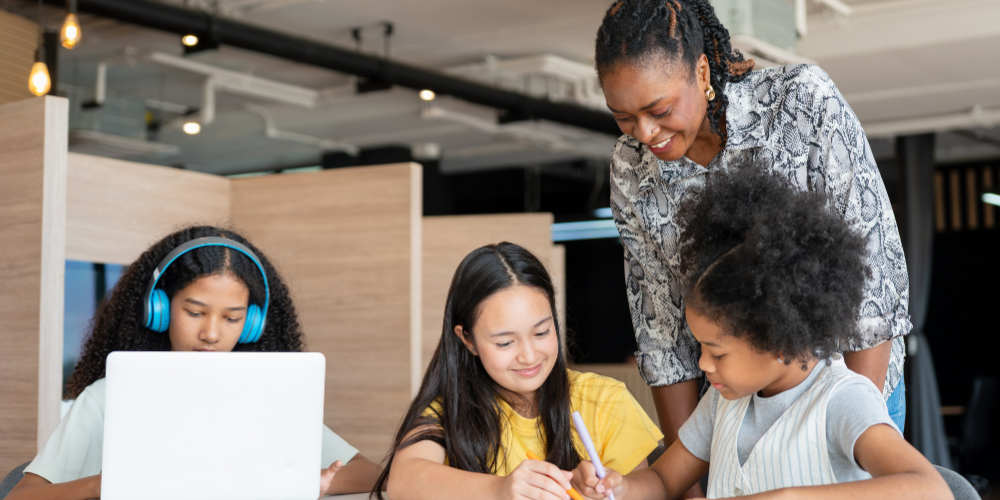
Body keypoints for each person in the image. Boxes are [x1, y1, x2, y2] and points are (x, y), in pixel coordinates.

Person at [594, 2, 909, 494]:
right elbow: (660, 328)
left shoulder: (801, 102)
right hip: (731, 394)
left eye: (658, 110)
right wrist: (685, 487)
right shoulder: (631, 168)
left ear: (701, 71)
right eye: (623, 117)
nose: (645, 133)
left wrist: (839, 432)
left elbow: (873, 286)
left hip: (844, 384)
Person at [573, 164, 949, 500]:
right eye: (701, 348)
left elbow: (930, 490)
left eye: (717, 352)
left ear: (779, 341)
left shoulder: (842, 400)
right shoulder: (725, 403)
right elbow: (662, 481)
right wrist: (619, 487)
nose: (703, 364)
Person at [6, 226, 381, 500]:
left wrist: (299, 481)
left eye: (232, 318)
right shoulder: (111, 397)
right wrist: (101, 485)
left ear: (251, 324)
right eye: (195, 312)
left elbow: (369, 473)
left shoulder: (265, 398)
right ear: (160, 309)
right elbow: (21, 495)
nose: (212, 334)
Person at [376, 242, 663, 500]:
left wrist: (617, 487)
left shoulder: (604, 399)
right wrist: (500, 489)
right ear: (468, 340)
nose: (529, 356)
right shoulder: (449, 409)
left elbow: (651, 485)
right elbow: (403, 480)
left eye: (541, 332)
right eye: (505, 342)